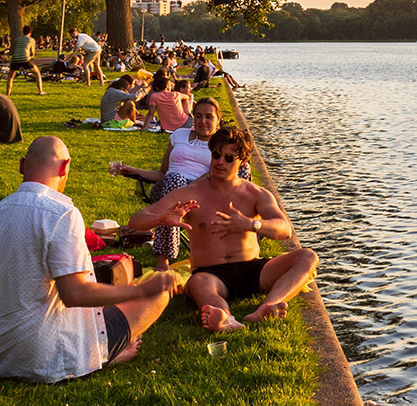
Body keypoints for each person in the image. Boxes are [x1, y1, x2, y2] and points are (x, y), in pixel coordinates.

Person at [0, 137, 176, 383]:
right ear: (64, 167)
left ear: (21, 165)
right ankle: (104, 356)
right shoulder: (61, 214)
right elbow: (74, 295)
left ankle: (104, 349)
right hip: (43, 359)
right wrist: (141, 291)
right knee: (158, 294)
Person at [129, 126, 316, 333]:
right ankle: (224, 318)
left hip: (252, 268)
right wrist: (161, 218)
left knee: (307, 257)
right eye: (216, 155)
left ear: (242, 162)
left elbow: (285, 230)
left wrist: (252, 224)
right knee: (197, 284)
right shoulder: (190, 193)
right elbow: (136, 220)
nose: (220, 162)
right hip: (211, 273)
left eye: (229, 158)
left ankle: (267, 307)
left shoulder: (255, 194)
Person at [110, 99, 249, 270]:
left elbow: (222, 173)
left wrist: (190, 189)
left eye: (208, 117)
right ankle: (163, 259)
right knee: (175, 178)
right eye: (198, 116)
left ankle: (245, 239)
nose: (202, 121)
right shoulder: (179, 135)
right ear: (193, 118)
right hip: (168, 189)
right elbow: (162, 173)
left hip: (204, 193)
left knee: (243, 165)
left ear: (218, 120)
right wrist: (132, 169)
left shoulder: (223, 146)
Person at [6, 24, 43, 95]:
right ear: (31, 32)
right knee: (37, 73)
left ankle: (8, 93)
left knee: (10, 76)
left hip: (15, 59)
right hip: (25, 59)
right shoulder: (31, 40)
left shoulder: (16, 39)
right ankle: (40, 91)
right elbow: (32, 52)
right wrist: (31, 55)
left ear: (23, 32)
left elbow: (13, 51)